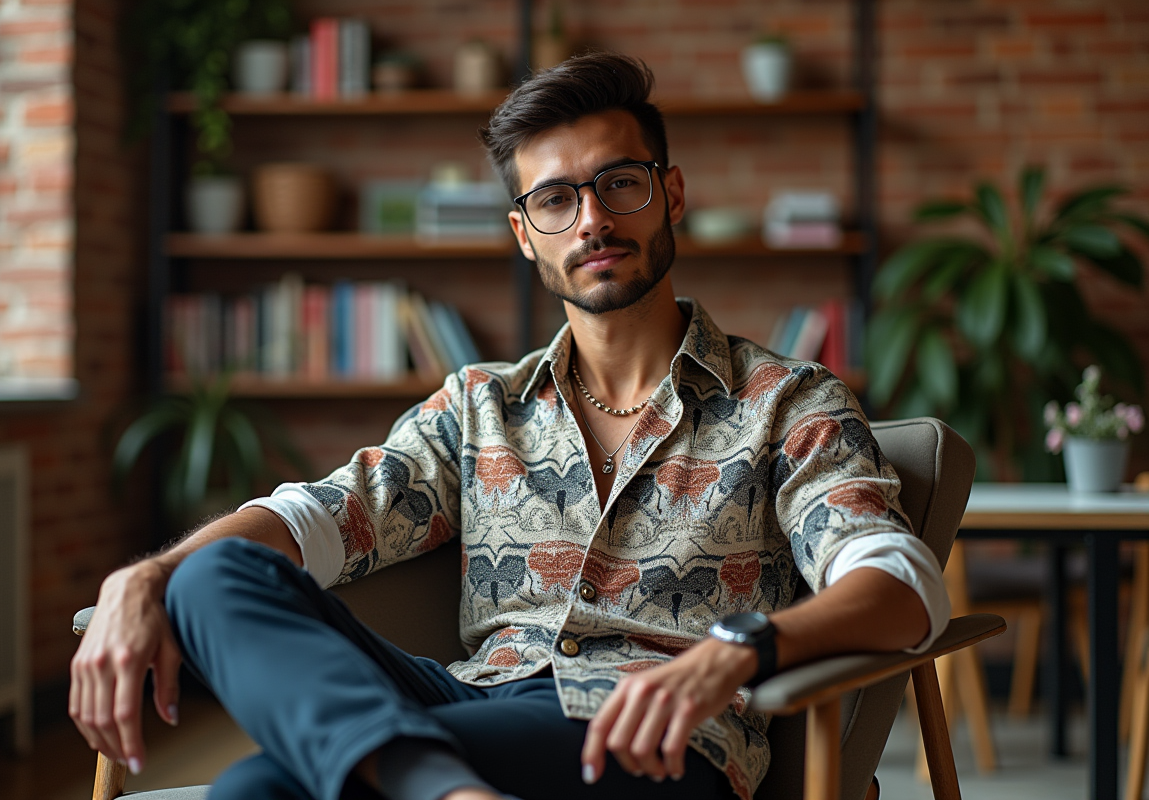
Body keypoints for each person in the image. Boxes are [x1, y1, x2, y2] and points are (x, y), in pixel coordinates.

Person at [70, 52, 949, 800]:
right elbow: (316, 519)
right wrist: (138, 584)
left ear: (671, 194)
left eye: (620, 184)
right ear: (525, 234)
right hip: (468, 701)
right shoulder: (479, 405)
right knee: (213, 571)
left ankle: (421, 782)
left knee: (255, 789)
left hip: (651, 735)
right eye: (557, 199)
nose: (595, 219)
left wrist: (741, 649)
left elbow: (900, 584)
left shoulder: (787, 401)